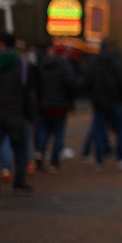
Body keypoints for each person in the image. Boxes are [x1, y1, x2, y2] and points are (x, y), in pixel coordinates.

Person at [0, 32, 36, 198]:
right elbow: (28, 92)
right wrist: (30, 116)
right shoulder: (23, 63)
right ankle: (19, 183)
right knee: (20, 149)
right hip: (16, 112)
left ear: (2, 44)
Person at [84, 39, 122, 171]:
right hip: (116, 101)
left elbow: (87, 81)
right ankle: (121, 158)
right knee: (121, 131)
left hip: (99, 102)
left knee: (99, 130)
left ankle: (99, 160)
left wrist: (93, 96)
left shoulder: (94, 62)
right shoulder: (117, 61)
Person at [33, 44, 77, 173]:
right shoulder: (65, 66)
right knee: (58, 133)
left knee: (44, 132)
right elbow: (70, 84)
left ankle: (40, 154)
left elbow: (38, 84)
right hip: (60, 106)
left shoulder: (43, 64)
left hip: (44, 105)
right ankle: (54, 161)